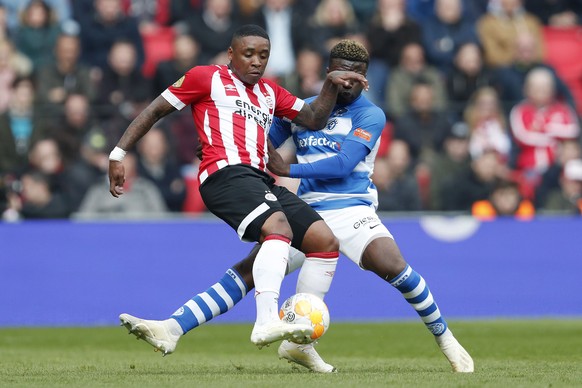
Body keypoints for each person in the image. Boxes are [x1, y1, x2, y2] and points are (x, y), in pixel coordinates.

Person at [116, 39, 474, 374]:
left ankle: (446, 338)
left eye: (353, 76)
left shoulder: (371, 115)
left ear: (364, 78)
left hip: (353, 210)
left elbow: (344, 164)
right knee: (250, 271)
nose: (345, 83)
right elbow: (259, 138)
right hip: (308, 208)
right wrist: (226, 145)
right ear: (328, 73)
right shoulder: (306, 108)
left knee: (398, 268)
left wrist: (290, 169)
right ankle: (177, 327)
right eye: (338, 73)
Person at [109, 25, 368, 349]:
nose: (257, 61)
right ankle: (266, 321)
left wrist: (329, 83)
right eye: (249, 54)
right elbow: (154, 111)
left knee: (323, 240)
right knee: (278, 228)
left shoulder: (270, 93)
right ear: (231, 54)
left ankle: (174, 329)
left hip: (258, 179)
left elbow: (314, 117)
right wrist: (118, 153)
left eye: (263, 55)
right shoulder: (205, 77)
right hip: (224, 175)